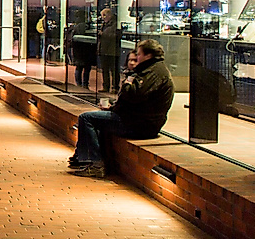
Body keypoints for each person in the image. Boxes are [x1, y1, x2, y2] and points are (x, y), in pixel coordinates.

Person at [68, 39, 175, 178]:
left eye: (139, 54)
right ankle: (83, 159)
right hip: (136, 119)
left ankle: (94, 163)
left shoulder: (154, 73)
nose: (136, 58)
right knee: (97, 121)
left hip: (139, 124)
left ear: (148, 56)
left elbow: (135, 95)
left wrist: (127, 84)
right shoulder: (152, 70)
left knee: (86, 118)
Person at [97, 8, 122, 92]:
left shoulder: (115, 24)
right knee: (105, 70)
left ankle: (115, 87)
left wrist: (103, 35)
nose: (103, 17)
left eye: (104, 15)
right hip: (104, 50)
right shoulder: (104, 25)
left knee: (114, 71)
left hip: (112, 51)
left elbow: (116, 36)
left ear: (109, 15)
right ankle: (106, 87)